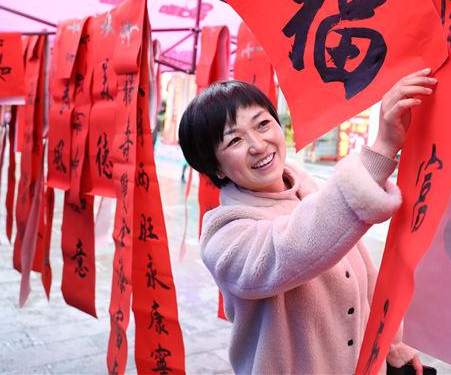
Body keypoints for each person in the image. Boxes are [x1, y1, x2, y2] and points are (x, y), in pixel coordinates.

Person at [178, 69, 437, 374]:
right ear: (215, 168)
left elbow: (365, 277)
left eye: (262, 124)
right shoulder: (224, 237)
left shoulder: (309, 190)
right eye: (234, 141)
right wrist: (381, 148)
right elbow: (295, 245)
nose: (258, 145)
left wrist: (393, 344)